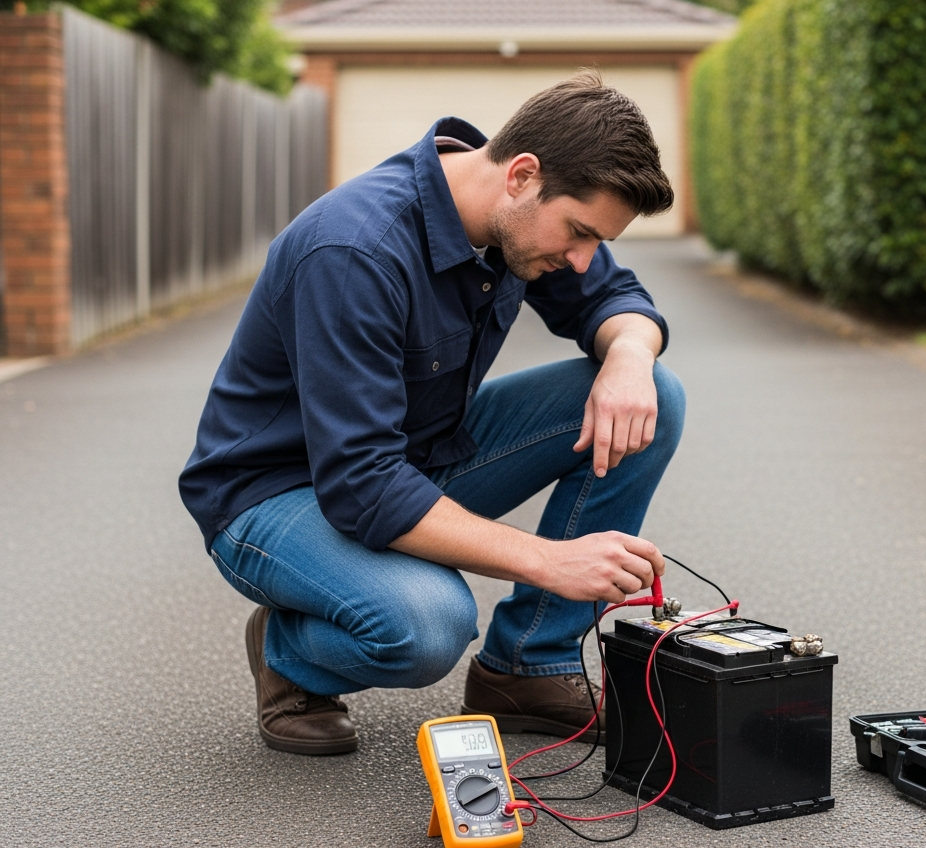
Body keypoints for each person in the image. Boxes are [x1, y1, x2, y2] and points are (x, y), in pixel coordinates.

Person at [179, 71, 684, 755]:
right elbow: (363, 484)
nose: (582, 259)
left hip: (414, 459)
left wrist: (628, 355)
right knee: (428, 624)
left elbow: (615, 300)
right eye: (579, 233)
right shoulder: (353, 250)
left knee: (656, 394)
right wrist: (549, 561)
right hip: (276, 495)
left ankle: (527, 667)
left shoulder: (516, 217)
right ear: (522, 175)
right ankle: (287, 654)